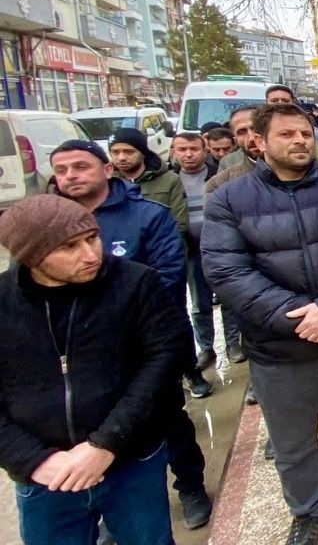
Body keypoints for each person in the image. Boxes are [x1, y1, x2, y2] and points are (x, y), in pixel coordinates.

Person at [202, 103, 318, 544]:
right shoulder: (230, 199)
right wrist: (300, 320)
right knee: (293, 443)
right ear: (260, 141)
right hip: (280, 350)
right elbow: (228, 273)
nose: (300, 141)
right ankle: (308, 511)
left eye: (305, 134)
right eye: (287, 134)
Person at [0, 196, 191, 545]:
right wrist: (32, 460)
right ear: (30, 256)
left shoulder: (134, 283)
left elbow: (163, 361)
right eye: (69, 247)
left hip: (130, 458)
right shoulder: (4, 303)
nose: (90, 255)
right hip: (47, 474)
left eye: (92, 238)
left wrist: (106, 444)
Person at [50, 140, 215, 527]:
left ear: (106, 170)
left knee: (167, 419)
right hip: (79, 353)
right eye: (61, 170)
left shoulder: (146, 216)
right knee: (94, 427)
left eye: (81, 167)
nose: (71, 176)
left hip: (145, 344)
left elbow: (167, 275)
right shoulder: (49, 223)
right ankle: (107, 505)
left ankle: (190, 486)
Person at [173, 131, 243, 368]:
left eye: (194, 149)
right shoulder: (172, 181)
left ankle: (233, 344)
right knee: (199, 302)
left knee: (228, 299)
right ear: (173, 152)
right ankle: (205, 347)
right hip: (191, 251)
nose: (189, 154)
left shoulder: (220, 177)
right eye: (182, 149)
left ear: (205, 151)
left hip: (223, 248)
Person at [108, 127, 188, 234]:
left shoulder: (169, 180)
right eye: (115, 152)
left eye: (129, 152)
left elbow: (180, 224)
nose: (121, 157)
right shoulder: (106, 183)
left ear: (143, 153)